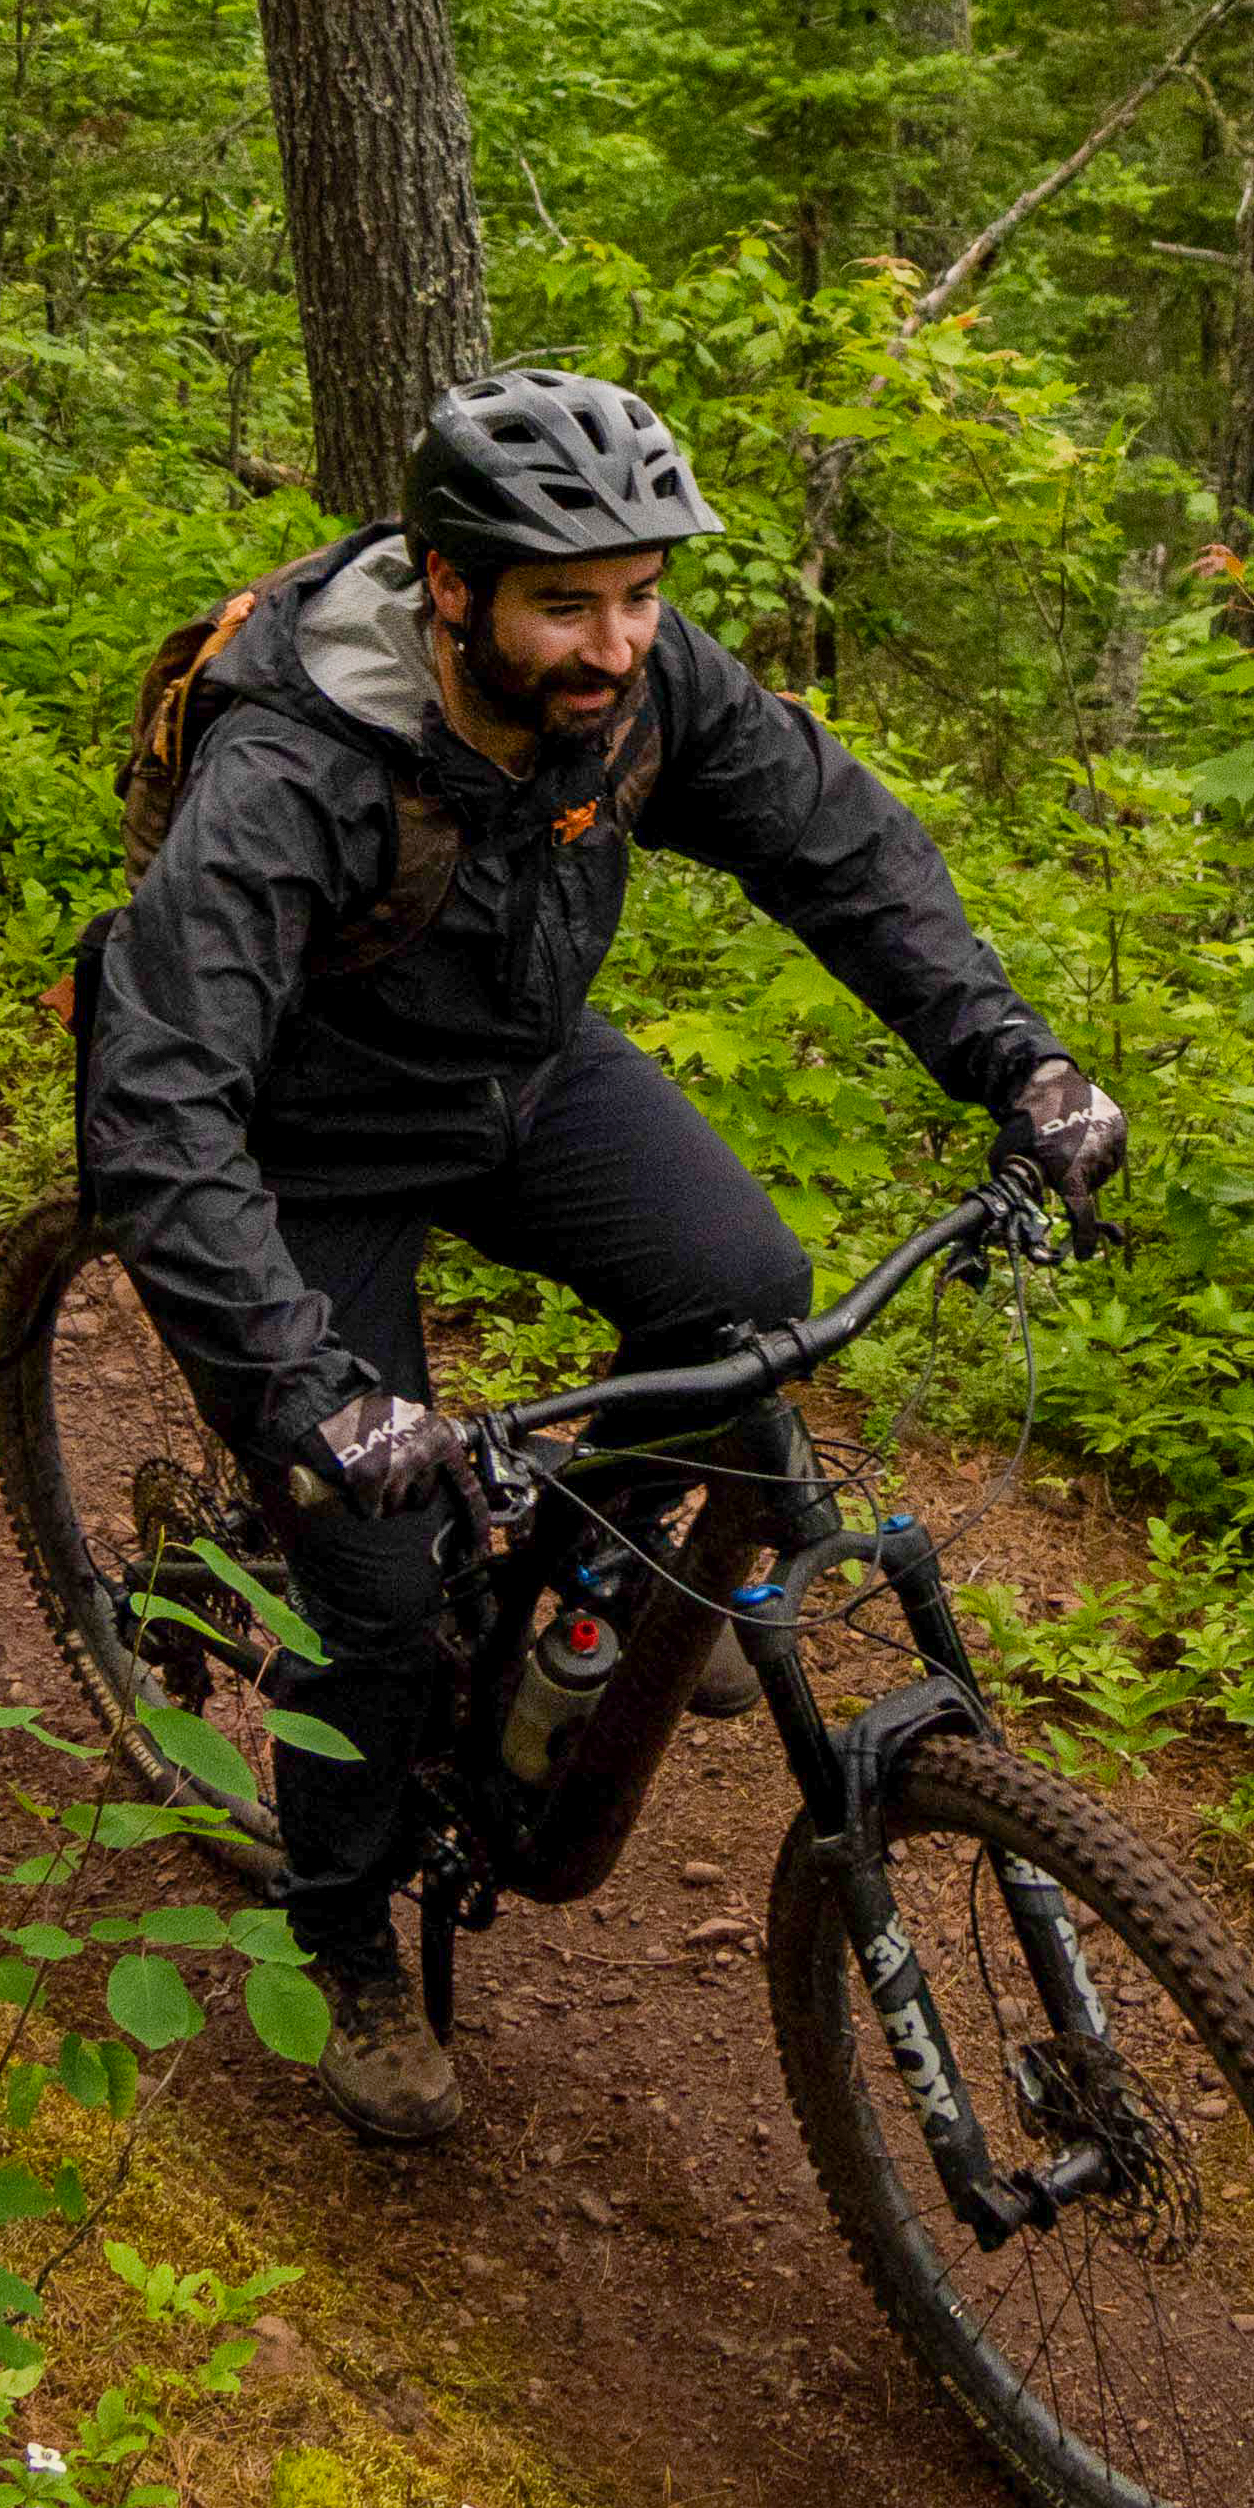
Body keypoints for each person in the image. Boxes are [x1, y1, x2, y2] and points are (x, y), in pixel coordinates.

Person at [79, 364, 1126, 2144]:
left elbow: (839, 846)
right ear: (449, 584)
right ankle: (341, 1936)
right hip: (303, 1136)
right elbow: (162, 1107)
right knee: (383, 1577)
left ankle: (598, 1592)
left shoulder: (637, 695)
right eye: (568, 601)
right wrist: (312, 1402)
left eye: (643, 594)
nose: (617, 643)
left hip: (516, 1067)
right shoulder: (298, 771)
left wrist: (1014, 1060)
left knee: (743, 1302)